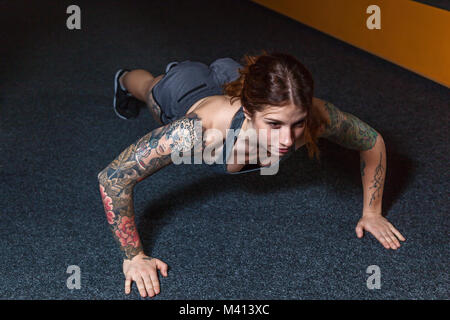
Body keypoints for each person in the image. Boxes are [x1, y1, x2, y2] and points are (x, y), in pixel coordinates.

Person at [98, 51, 406, 298]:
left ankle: (223, 68)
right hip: (186, 90)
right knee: (151, 87)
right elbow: (113, 178)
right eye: (274, 125)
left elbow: (371, 140)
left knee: (230, 71)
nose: (288, 139)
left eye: (297, 123)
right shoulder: (197, 132)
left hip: (233, 77)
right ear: (248, 112)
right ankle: (124, 78)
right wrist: (134, 257)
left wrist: (372, 212)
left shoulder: (314, 116)